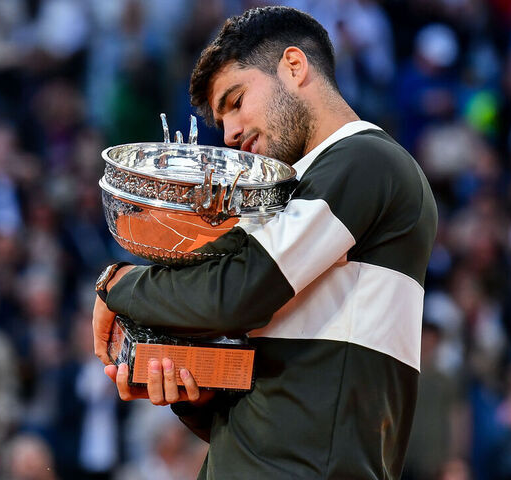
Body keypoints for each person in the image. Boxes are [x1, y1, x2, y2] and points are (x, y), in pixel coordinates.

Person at [92, 5, 438, 479]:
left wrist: (121, 284)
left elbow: (237, 292)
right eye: (221, 119)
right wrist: (194, 396)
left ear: (294, 67)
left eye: (236, 101)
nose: (230, 133)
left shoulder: (365, 160)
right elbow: (268, 416)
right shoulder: (297, 193)